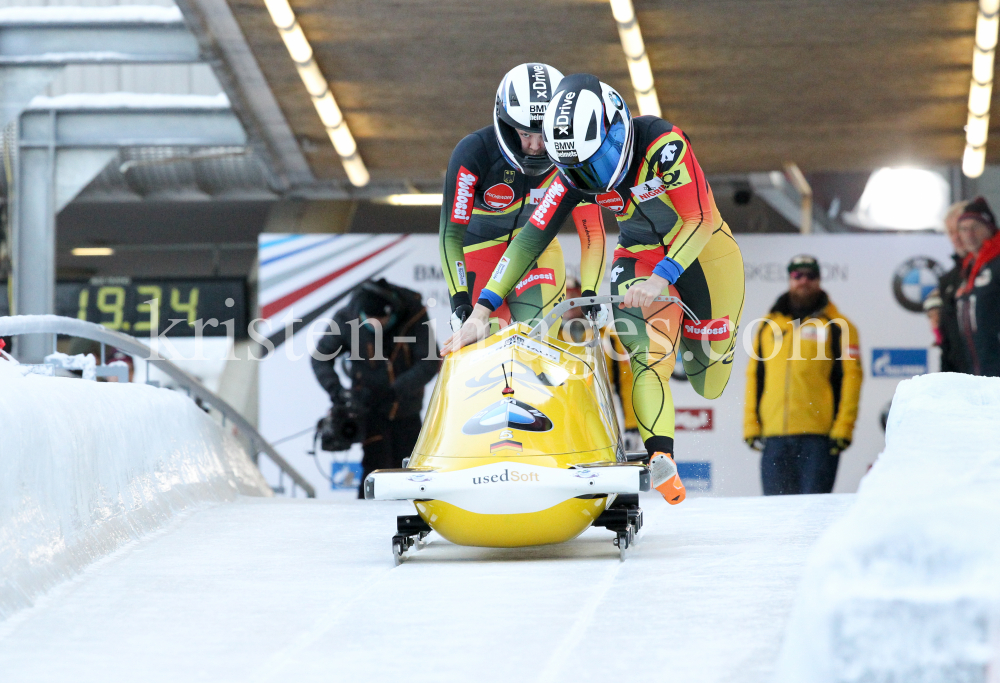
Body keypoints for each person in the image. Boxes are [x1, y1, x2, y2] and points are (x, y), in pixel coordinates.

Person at [443, 73, 747, 505]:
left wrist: (665, 275)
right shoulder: (575, 174)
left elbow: (698, 219)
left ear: (614, 129)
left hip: (705, 254)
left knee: (709, 383)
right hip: (639, 255)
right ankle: (661, 456)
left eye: (597, 161)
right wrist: (481, 310)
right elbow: (531, 238)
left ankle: (709, 345)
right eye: (580, 168)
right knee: (647, 357)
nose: (594, 176)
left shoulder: (664, 143)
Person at [439, 63, 608, 335]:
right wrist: (459, 298)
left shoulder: (575, 155)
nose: (535, 146)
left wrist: (589, 291)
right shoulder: (473, 153)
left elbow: (592, 234)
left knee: (541, 341)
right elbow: (451, 235)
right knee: (481, 345)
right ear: (506, 126)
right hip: (478, 250)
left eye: (544, 134)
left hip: (537, 251)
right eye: (525, 134)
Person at [743, 255, 863, 495]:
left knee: (811, 516)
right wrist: (750, 424)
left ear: (819, 280)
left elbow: (851, 378)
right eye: (798, 275)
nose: (804, 281)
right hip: (774, 436)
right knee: (776, 515)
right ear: (789, 279)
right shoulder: (767, 325)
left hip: (818, 438)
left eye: (811, 275)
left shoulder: (839, 326)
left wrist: (844, 427)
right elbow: (755, 376)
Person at [311, 279, 440, 497]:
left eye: (381, 320)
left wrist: (395, 390)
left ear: (393, 313)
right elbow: (320, 358)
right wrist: (337, 393)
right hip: (368, 409)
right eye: (369, 321)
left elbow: (429, 362)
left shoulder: (415, 315)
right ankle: (366, 525)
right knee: (374, 471)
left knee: (411, 475)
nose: (375, 325)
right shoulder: (346, 318)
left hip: (406, 409)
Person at [955, 197, 1000, 377]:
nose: (969, 234)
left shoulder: (996, 263)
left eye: (975, 227)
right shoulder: (969, 267)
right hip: (977, 368)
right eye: (964, 229)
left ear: (989, 228)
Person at [936, 200, 970, 373]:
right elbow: (946, 337)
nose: (956, 237)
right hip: (957, 374)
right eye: (950, 232)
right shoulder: (948, 280)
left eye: (959, 230)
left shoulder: (992, 270)